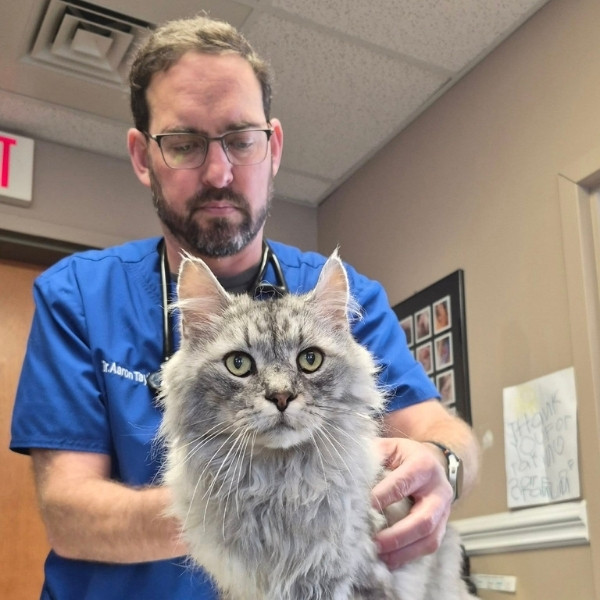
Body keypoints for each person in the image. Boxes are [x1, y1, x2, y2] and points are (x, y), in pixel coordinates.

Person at [10, 14, 480, 600]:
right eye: (184, 143)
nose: (218, 171)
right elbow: (70, 515)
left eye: (240, 139)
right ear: (141, 156)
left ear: (273, 146)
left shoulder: (341, 292)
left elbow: (445, 431)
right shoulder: (78, 296)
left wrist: (443, 465)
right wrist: (268, 506)